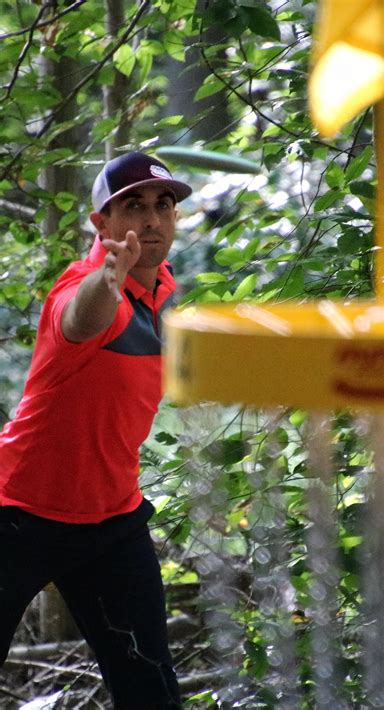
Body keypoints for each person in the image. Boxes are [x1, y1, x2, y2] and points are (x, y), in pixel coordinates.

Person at [0, 151, 193, 709]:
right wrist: (106, 280)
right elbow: (80, 319)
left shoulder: (164, 291)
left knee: (151, 693)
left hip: (112, 523)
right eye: (133, 206)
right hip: (18, 514)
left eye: (164, 205)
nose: (152, 219)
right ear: (101, 225)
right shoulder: (84, 288)